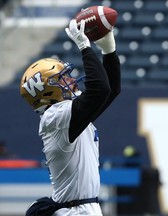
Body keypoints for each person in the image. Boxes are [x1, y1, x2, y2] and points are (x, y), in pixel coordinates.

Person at [20, 19, 121, 216]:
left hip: (80, 208)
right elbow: (100, 90)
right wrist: (84, 47)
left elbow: (111, 90)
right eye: (62, 78)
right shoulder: (55, 117)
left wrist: (109, 51)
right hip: (75, 210)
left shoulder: (62, 116)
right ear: (47, 91)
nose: (71, 80)